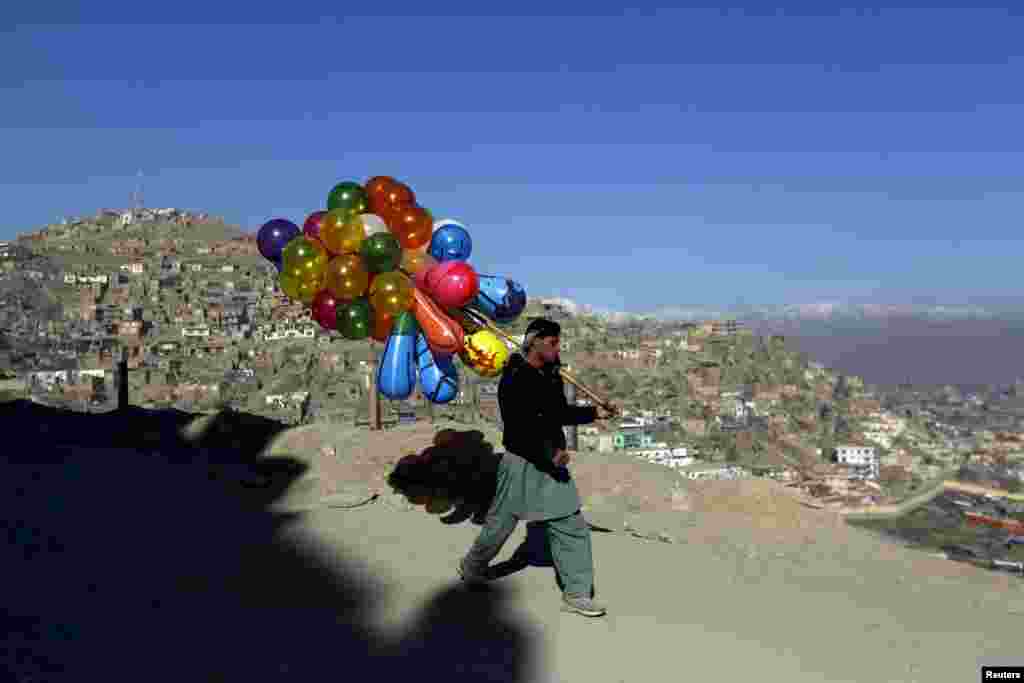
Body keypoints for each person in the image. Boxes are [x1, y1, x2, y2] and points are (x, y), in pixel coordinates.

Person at [457, 318, 618, 617]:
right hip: (523, 461)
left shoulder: (550, 374)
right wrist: (548, 455)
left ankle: (577, 593)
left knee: (570, 523)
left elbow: (557, 413)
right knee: (501, 523)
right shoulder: (514, 378)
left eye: (559, 342)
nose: (558, 348)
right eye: (553, 343)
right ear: (535, 343)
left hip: (551, 463)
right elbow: (519, 431)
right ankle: (473, 565)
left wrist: (595, 413)